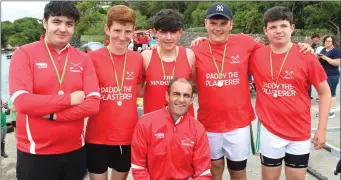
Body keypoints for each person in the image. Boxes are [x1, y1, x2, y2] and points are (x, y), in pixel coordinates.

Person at [190, 3, 313, 180]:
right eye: (213, 23)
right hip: (208, 123)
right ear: (206, 24)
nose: (218, 28)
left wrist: (298, 46)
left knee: (238, 172)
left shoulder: (244, 42)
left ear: (230, 24)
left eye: (223, 23)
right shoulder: (196, 48)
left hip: (238, 123)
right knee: (213, 170)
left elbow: (275, 51)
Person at [9, 2, 101, 179]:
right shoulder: (24, 53)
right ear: (45, 22)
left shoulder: (83, 58)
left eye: (69, 23)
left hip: (75, 151)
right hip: (35, 153)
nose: (63, 29)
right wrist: (69, 99)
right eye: (57, 22)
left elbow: (93, 105)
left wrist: (53, 115)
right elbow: (22, 102)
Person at [249, 6, 331, 180]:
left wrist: (321, 129)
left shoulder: (306, 56)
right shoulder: (256, 55)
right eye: (273, 27)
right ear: (265, 31)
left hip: (299, 132)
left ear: (292, 28)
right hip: (269, 131)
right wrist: (205, 39)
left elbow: (324, 93)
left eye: (283, 26)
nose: (279, 31)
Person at [84, 5, 143, 180]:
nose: (122, 37)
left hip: (127, 137)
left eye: (128, 31)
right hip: (97, 136)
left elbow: (140, 90)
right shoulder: (91, 58)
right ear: (107, 29)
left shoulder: (138, 59)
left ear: (133, 31)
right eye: (117, 30)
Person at [131, 78, 212, 179]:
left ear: (191, 100)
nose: (181, 100)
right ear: (167, 96)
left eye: (186, 95)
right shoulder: (145, 123)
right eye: (176, 94)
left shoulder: (198, 129)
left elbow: (203, 173)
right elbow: (138, 167)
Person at [141, 9, 196, 116]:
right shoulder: (146, 57)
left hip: (184, 123)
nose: (168, 37)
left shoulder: (189, 55)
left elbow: (195, 84)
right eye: (163, 32)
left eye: (173, 32)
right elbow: (139, 91)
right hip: (154, 124)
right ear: (155, 32)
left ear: (180, 32)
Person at [317, 35, 340, 118]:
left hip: (333, 75)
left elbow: (337, 63)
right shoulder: (323, 49)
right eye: (326, 41)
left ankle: (330, 112)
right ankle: (324, 111)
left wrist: (325, 58)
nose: (327, 42)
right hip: (323, 75)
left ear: (333, 42)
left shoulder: (336, 51)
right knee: (323, 94)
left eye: (329, 41)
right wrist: (318, 57)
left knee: (331, 93)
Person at [308, 33, 321, 99]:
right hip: (308, 64)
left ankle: (309, 95)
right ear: (312, 38)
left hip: (313, 65)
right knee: (309, 81)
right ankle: (308, 95)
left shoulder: (316, 45)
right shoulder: (309, 44)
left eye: (318, 39)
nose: (317, 40)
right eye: (316, 38)